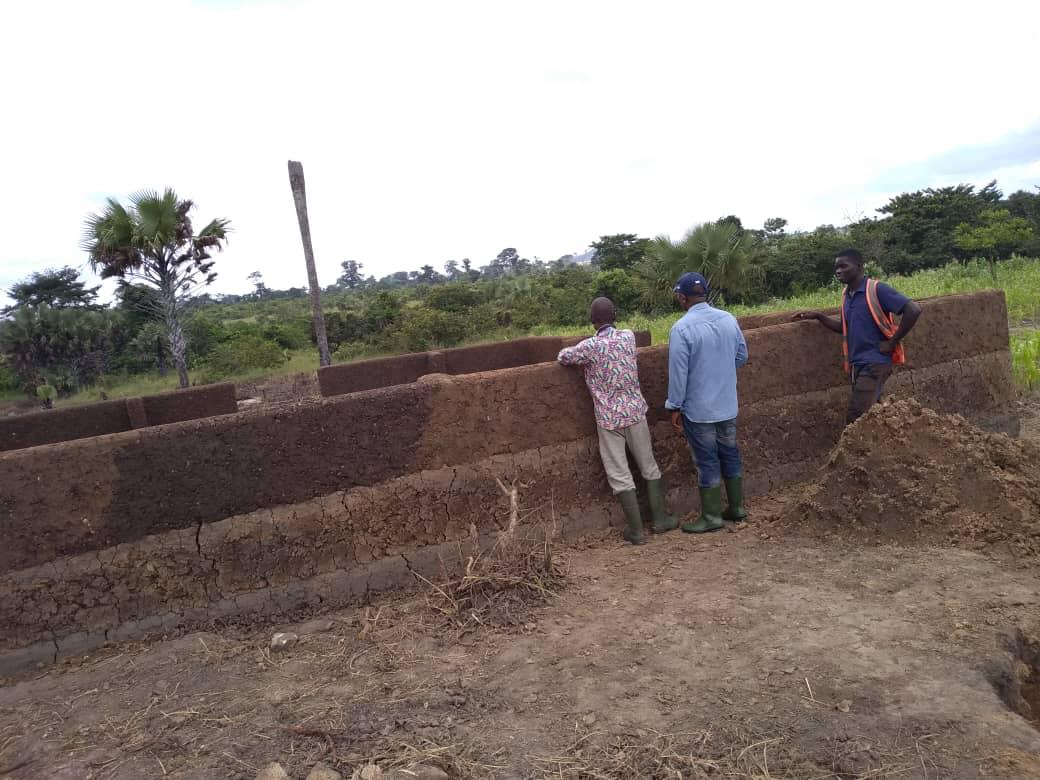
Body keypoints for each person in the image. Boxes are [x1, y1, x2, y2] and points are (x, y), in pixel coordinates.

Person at [558, 297, 677, 545]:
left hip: (608, 419)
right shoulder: (628, 337)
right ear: (615, 317)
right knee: (648, 465)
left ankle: (636, 531)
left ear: (593, 321)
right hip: (635, 413)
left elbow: (564, 357)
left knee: (619, 473)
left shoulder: (589, 347)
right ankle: (660, 520)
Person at [792, 248, 922, 425]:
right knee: (872, 413)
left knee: (857, 416)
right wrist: (818, 316)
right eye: (836, 268)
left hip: (875, 363)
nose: (838, 271)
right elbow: (844, 328)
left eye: (843, 266)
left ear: (859, 266)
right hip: (858, 364)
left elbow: (913, 310)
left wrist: (892, 343)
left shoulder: (876, 290)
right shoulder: (847, 296)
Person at [666, 272, 748, 534]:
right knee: (730, 453)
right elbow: (742, 356)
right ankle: (736, 508)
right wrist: (721, 370)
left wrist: (674, 405)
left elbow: (678, 373)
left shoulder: (681, 329)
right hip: (727, 404)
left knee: (707, 460)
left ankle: (712, 516)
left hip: (699, 409)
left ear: (682, 297)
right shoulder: (728, 319)